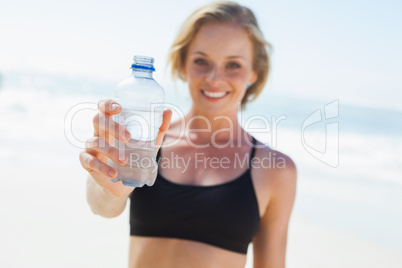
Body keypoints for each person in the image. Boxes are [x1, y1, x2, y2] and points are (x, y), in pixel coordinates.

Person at [79, 1, 297, 267]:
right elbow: (102, 206)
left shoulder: (275, 170)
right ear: (182, 63)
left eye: (233, 65)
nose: (215, 78)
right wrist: (110, 185)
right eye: (201, 61)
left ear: (254, 72)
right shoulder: (149, 141)